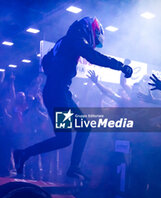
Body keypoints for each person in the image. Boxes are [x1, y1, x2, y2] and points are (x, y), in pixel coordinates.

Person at [14, 17, 133, 179]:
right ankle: (34, 156)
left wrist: (55, 73)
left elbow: (45, 61)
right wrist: (120, 66)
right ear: (91, 30)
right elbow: (93, 57)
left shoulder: (63, 41)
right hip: (58, 92)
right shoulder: (76, 39)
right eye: (95, 40)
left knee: (76, 133)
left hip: (58, 91)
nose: (94, 43)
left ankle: (28, 155)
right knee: (69, 136)